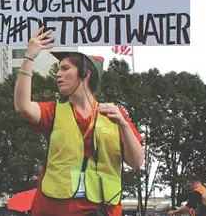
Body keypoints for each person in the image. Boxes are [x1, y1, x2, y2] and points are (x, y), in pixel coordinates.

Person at [14, 27, 145, 216]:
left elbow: (137, 162)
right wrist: (29, 58)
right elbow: (22, 106)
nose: (57, 74)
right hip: (55, 209)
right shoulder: (53, 111)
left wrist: (124, 126)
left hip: (103, 208)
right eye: (58, 69)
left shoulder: (116, 115)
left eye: (65, 68)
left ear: (85, 73)